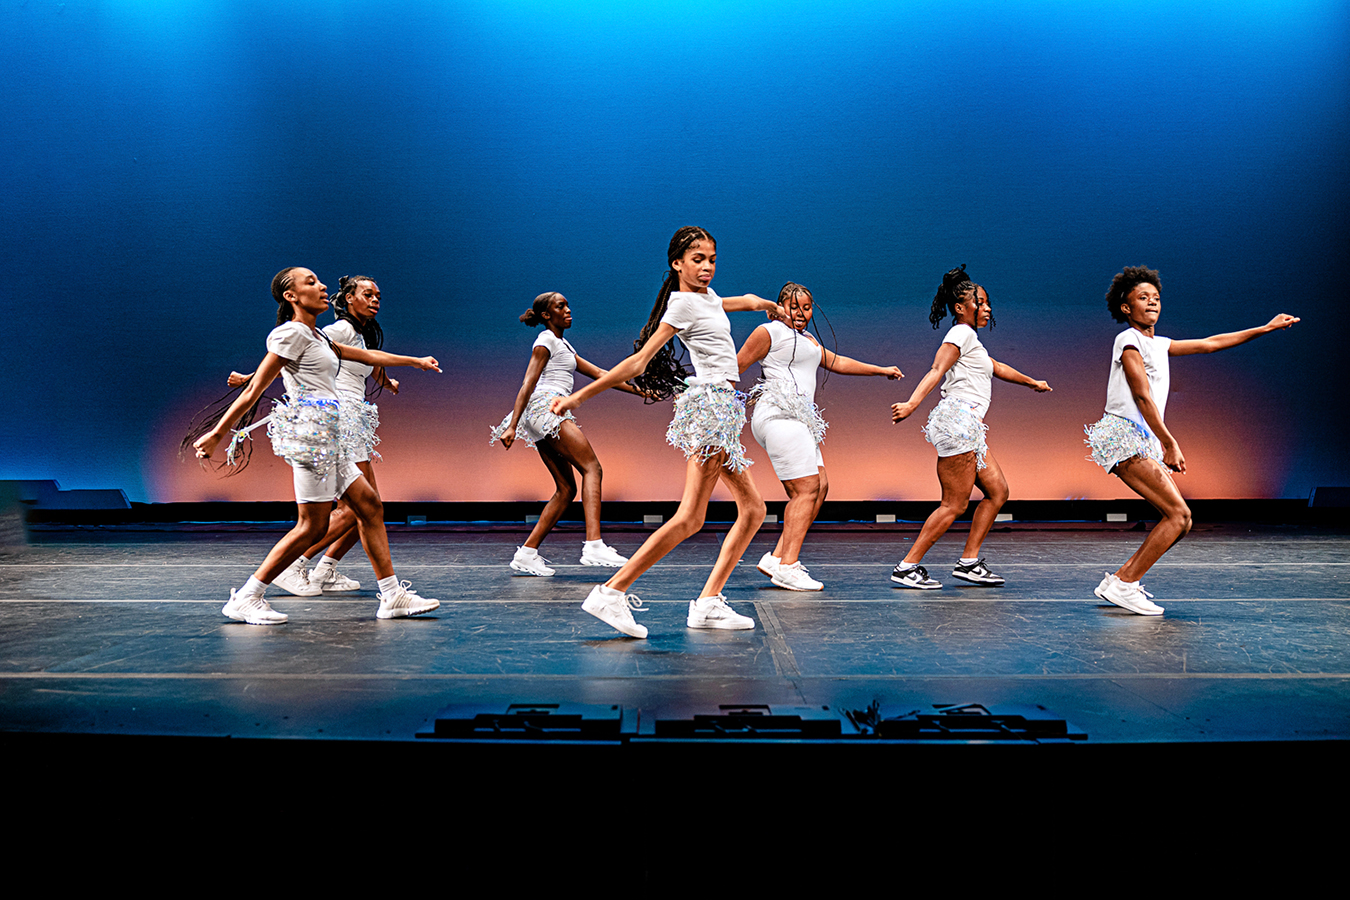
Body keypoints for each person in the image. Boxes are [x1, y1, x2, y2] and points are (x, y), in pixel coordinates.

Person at [549, 226, 787, 638]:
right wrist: (580, 397)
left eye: (712, 259)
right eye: (698, 260)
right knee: (691, 517)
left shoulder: (706, 298)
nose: (707, 267)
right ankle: (611, 591)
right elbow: (639, 362)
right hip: (711, 409)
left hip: (723, 411)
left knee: (753, 509)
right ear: (677, 263)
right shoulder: (681, 307)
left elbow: (736, 302)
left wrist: (765, 304)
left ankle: (709, 602)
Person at [188, 267, 442, 625]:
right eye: (310, 283)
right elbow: (255, 389)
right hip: (312, 437)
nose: (322, 286)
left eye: (319, 281)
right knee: (312, 526)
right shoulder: (290, 333)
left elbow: (367, 357)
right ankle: (248, 596)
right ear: (291, 296)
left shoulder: (317, 336)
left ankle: (392, 595)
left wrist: (414, 361)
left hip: (331, 436)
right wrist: (218, 433)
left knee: (369, 507)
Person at [1084, 266, 1298, 615]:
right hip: (1124, 435)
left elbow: (1211, 344)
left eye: (1155, 297)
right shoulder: (1128, 340)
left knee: (1179, 517)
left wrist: (1266, 328)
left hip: (1137, 436)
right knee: (1179, 516)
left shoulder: (1158, 344)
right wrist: (1169, 442)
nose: (1152, 302)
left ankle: (1120, 581)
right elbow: (1141, 395)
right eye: (1142, 297)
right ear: (1126, 307)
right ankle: (1125, 583)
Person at [226, 275, 400, 596]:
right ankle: (297, 565)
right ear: (348, 298)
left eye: (378, 295)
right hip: (336, 420)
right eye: (368, 294)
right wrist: (250, 377)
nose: (376, 300)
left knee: (368, 506)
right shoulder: (336, 329)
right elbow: (292, 354)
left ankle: (325, 569)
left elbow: (365, 359)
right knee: (358, 508)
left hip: (346, 419)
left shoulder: (358, 335)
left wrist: (388, 380)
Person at [890, 265, 1051, 590]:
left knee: (997, 492)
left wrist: (1031, 382)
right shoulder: (960, 333)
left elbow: (998, 367)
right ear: (961, 307)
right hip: (958, 424)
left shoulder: (972, 341)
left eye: (988, 302)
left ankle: (969, 562)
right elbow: (936, 370)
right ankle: (907, 566)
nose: (988, 308)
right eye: (981, 302)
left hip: (969, 428)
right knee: (955, 504)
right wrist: (910, 404)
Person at [736, 282, 902, 590]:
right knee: (805, 490)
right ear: (779, 306)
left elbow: (837, 362)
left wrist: (880, 370)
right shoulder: (768, 332)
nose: (800, 313)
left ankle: (777, 558)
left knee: (820, 486)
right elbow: (737, 365)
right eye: (793, 306)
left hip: (800, 420)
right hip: (778, 415)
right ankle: (789, 567)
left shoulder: (810, 340)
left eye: (807, 307)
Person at [491, 291, 644, 575]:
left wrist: (641, 392)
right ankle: (594, 544)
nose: (569, 309)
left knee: (566, 489)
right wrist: (512, 424)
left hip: (542, 412)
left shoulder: (562, 344)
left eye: (568, 304)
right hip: (547, 408)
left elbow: (600, 374)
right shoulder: (546, 341)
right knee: (592, 468)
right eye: (561, 306)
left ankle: (527, 552)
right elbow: (528, 382)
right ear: (547, 315)